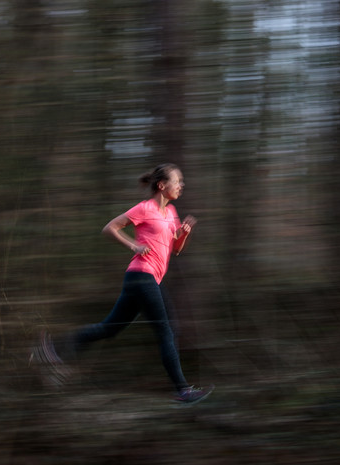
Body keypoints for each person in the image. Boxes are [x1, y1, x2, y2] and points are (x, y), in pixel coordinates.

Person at [34, 163, 213, 405]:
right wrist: (134, 246)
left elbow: (176, 250)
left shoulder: (171, 212)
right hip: (142, 276)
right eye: (177, 181)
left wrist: (184, 233)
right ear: (162, 185)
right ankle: (182, 390)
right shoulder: (145, 208)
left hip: (145, 280)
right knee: (166, 332)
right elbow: (109, 227)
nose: (181, 185)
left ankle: (54, 350)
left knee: (110, 328)